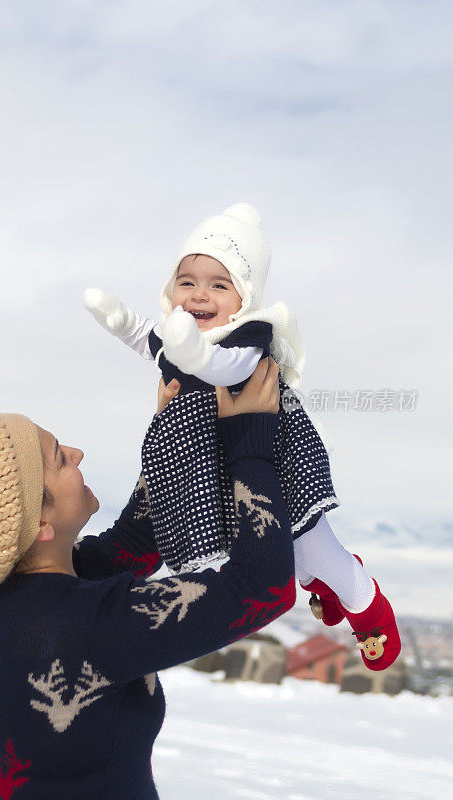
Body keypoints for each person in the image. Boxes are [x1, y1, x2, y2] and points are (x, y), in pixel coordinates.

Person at [0, 358, 296, 800]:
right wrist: (250, 443)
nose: (77, 454)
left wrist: (176, 431)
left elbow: (135, 540)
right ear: (39, 524)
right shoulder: (93, 622)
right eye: (59, 459)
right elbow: (263, 586)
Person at [83, 202, 401, 671]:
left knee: (311, 542)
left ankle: (366, 602)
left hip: (276, 461)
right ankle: (323, 584)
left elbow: (226, 367)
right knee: (277, 548)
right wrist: (121, 321)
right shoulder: (177, 339)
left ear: (245, 297)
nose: (198, 295)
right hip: (227, 465)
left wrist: (192, 353)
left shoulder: (245, 339)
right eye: (186, 283)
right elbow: (146, 339)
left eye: (219, 284)